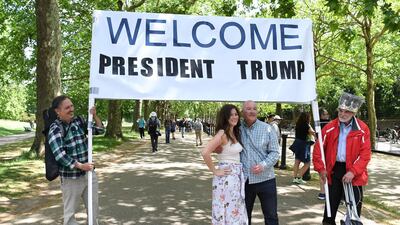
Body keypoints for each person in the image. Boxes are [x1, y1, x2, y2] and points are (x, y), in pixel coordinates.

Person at [313, 92, 371, 225]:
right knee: (330, 205)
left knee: (354, 207)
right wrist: (321, 169)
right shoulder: (329, 127)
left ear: (354, 113)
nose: (342, 114)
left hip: (354, 172)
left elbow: (365, 154)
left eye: (347, 112)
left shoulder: (362, 129)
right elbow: (318, 151)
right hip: (334, 170)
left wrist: (353, 171)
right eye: (340, 110)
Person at [47, 95, 104, 225]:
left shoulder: (79, 121)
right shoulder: (55, 128)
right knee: (70, 215)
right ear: (58, 111)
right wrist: (80, 166)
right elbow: (60, 155)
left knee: (93, 211)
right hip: (70, 179)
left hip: (89, 175)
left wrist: (94, 116)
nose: (71, 109)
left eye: (72, 106)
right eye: (67, 107)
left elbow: (100, 130)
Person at [201, 104, 248, 225]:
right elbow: (205, 152)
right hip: (227, 178)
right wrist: (215, 171)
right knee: (228, 212)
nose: (234, 117)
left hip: (235, 178)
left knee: (234, 212)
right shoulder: (222, 133)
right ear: (225, 117)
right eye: (231, 115)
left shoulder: (234, 132)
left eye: (236, 114)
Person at [240, 100, 280, 225]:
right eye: (248, 109)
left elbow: (275, 153)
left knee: (271, 216)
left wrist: (263, 165)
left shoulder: (267, 129)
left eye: (254, 108)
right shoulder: (237, 129)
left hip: (266, 179)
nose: (252, 111)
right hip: (245, 180)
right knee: (244, 217)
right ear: (242, 112)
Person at [290, 112, 315, 185]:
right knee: (307, 163)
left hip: (297, 143)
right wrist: (310, 125)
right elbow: (313, 133)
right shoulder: (307, 126)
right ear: (307, 118)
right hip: (303, 144)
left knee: (297, 161)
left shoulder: (298, 124)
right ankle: (299, 177)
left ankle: (295, 178)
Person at [317, 107, 330, 200]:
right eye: (325, 114)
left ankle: (323, 191)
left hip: (324, 149)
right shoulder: (324, 124)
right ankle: (322, 191)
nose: (327, 116)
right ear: (321, 115)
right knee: (323, 169)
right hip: (324, 150)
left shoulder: (319, 124)